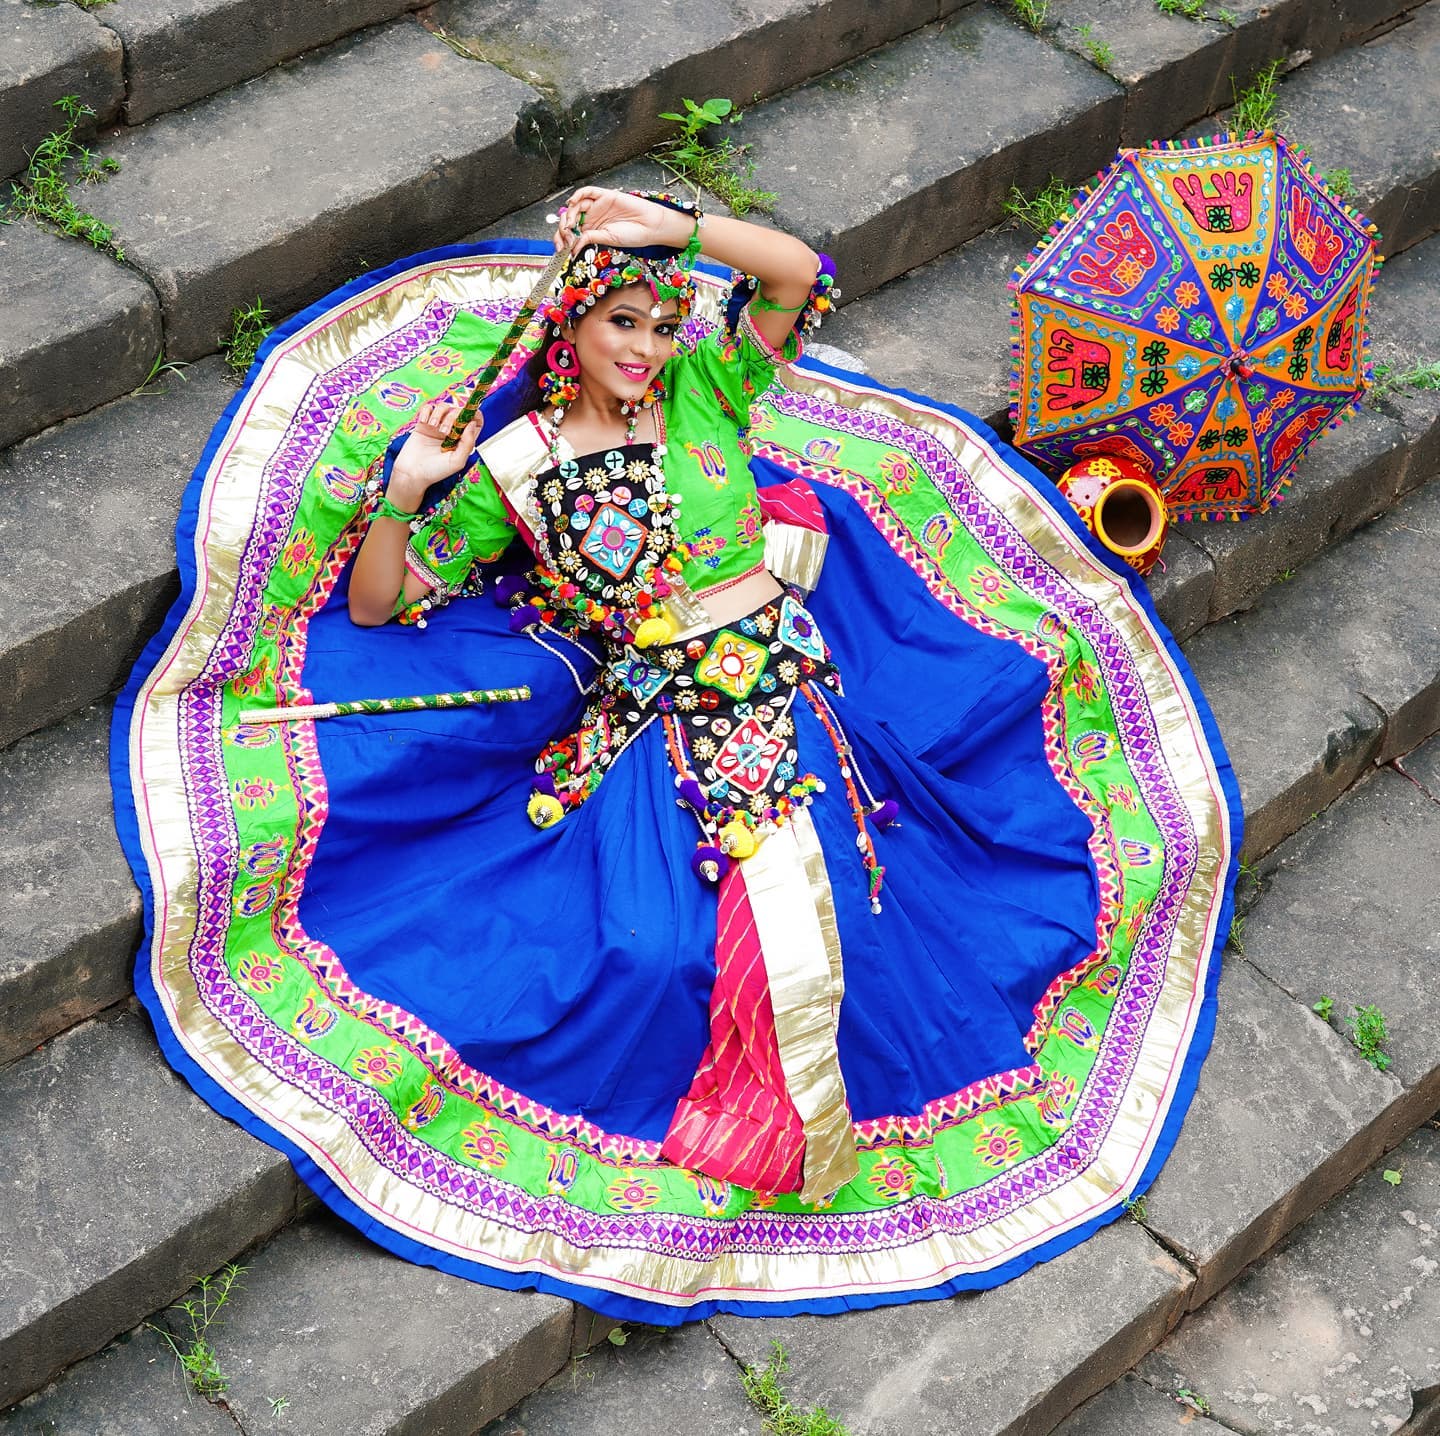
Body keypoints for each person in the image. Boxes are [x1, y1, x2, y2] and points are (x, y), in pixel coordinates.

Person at [114, 186, 1240, 1323]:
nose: (648, 348)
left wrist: (674, 230)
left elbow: (796, 270)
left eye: (662, 324)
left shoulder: (709, 391)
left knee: (866, 914)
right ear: (571, 329)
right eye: (623, 325)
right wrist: (406, 495)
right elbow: (380, 603)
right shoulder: (517, 462)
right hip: (652, 726)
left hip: (786, 695)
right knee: (651, 954)